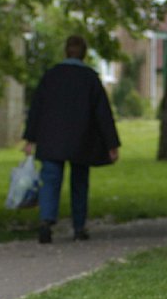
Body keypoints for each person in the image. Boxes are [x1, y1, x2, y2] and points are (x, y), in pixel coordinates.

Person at [22, 35, 121, 244]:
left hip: (51, 138)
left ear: (66, 51)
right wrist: (112, 144)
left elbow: (36, 108)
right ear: (84, 53)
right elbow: (103, 113)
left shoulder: (51, 76)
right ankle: (79, 227)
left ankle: (46, 222)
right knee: (79, 182)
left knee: (50, 180)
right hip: (81, 139)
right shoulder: (90, 79)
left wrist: (30, 138)